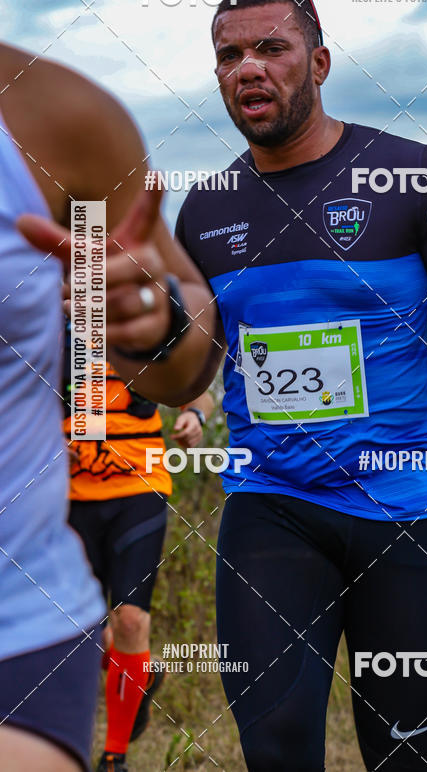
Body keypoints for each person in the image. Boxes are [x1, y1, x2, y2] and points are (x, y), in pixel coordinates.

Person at [171, 0, 427, 771]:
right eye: (230, 54)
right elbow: (189, 370)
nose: (249, 68)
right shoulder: (205, 212)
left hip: (409, 505)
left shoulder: (412, 176)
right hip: (273, 504)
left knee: (408, 757)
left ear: (320, 61)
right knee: (274, 748)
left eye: (272, 47)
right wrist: (138, 327)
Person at [3, 41, 218, 772]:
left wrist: (158, 326)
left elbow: (191, 344)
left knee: (126, 619)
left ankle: (117, 755)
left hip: (120, 491)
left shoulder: (61, 121)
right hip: (69, 484)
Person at [62, 320, 214, 772]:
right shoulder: (51, 327)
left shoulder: (148, 324)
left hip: (139, 488)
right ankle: (138, 674)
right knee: (75, 628)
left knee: (129, 620)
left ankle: (114, 758)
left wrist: (195, 417)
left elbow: (197, 390)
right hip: (68, 495)